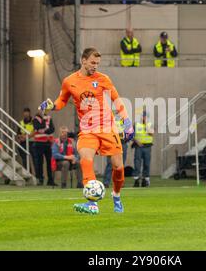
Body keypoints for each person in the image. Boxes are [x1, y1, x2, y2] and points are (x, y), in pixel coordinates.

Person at [38, 47, 134, 214]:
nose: (95, 66)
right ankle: (92, 203)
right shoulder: (69, 81)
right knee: (85, 160)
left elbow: (117, 101)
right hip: (88, 130)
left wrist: (127, 122)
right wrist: (52, 106)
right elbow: (62, 101)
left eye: (97, 63)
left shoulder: (103, 79)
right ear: (83, 60)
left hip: (107, 128)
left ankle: (116, 195)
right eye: (92, 63)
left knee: (118, 167)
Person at [103, 114, 128, 188]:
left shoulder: (125, 122)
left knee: (121, 164)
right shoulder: (111, 121)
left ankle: (120, 182)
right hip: (112, 143)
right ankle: (106, 182)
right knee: (110, 164)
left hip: (123, 143)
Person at [31, 110, 56, 186]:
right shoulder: (35, 119)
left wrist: (44, 130)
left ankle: (50, 180)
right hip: (39, 143)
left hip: (48, 143)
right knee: (39, 162)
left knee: (49, 162)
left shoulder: (49, 118)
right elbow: (37, 127)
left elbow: (52, 129)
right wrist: (45, 126)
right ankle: (40, 179)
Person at [132, 110, 153, 188]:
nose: (144, 118)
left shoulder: (150, 124)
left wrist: (146, 125)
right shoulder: (136, 124)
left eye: (145, 116)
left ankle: (145, 179)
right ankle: (136, 180)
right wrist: (136, 141)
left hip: (147, 147)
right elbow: (131, 135)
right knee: (137, 163)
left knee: (146, 163)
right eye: (143, 116)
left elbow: (151, 133)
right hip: (139, 147)